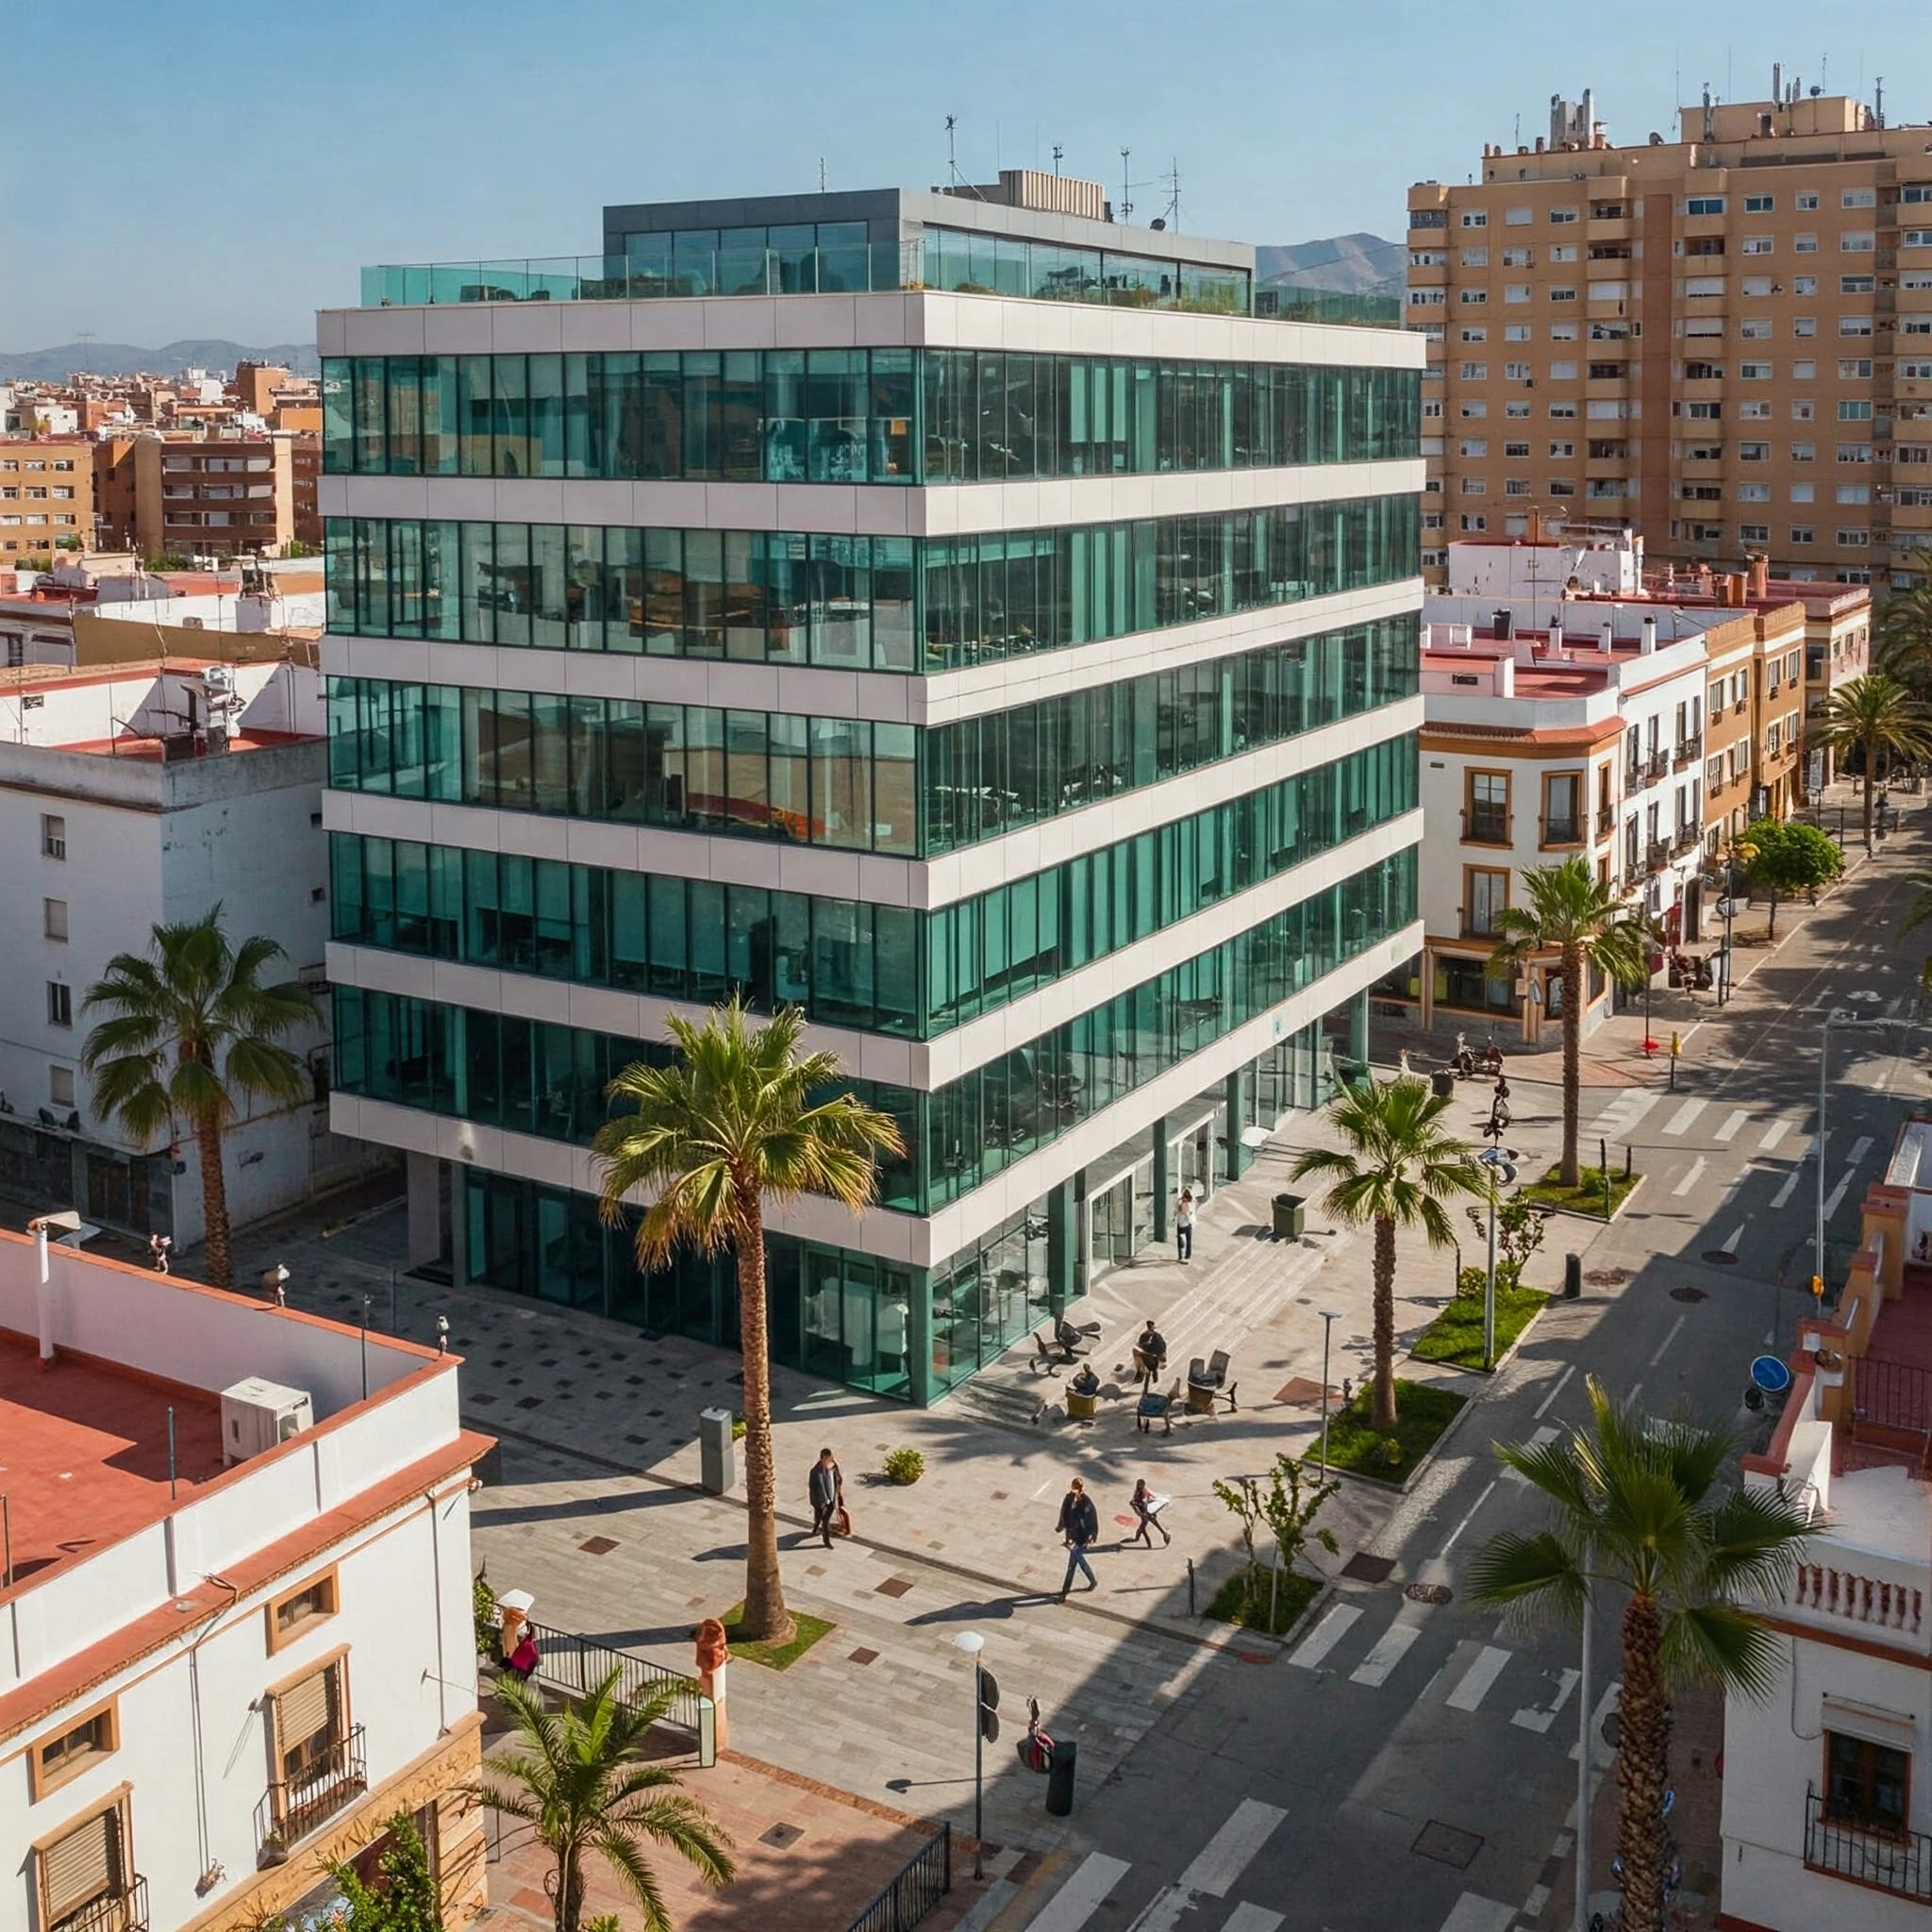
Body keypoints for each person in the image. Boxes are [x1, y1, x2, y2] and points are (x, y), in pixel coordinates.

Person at [1056, 1476, 1099, 1599]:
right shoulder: (1069, 1499)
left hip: (1082, 1535)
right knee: (1075, 1560)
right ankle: (1092, 1581)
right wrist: (1062, 1529)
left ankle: (1065, 1591)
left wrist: (1091, 1535)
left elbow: (1092, 1519)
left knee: (1074, 1561)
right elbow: (1064, 1514)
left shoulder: (1086, 1502)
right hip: (1074, 1535)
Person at [808, 1446, 843, 1550]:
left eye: (830, 1458)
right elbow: (812, 1487)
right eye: (827, 1459)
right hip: (820, 1501)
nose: (829, 1461)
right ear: (822, 1458)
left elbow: (839, 1478)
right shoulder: (814, 1471)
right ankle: (824, 1538)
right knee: (822, 1520)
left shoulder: (833, 1467)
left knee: (825, 1520)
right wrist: (816, 1502)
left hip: (831, 1499)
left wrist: (838, 1490)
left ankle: (822, 1535)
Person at [1127, 1477, 1171, 1548]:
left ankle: (1149, 1544)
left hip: (1145, 1513)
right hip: (1146, 1513)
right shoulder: (1140, 1491)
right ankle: (1163, 1534)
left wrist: (1137, 1507)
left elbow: (1144, 1502)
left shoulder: (1142, 1493)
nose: (1138, 1486)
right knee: (1152, 1524)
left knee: (1142, 1529)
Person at [1133, 1317, 1168, 1387]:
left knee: (1138, 1354)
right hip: (1154, 1353)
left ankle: (1140, 1372)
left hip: (1151, 1353)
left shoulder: (1150, 1336)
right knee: (1150, 1365)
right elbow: (1163, 1345)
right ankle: (1145, 1373)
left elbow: (1142, 1345)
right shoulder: (1155, 1335)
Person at [1175, 1188, 1195, 1263]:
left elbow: (1188, 1212)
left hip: (1185, 1223)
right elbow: (1184, 1212)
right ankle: (1184, 1256)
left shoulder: (1186, 1203)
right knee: (1184, 1240)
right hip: (1184, 1224)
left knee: (1186, 1240)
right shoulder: (1182, 1203)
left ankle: (1185, 1256)